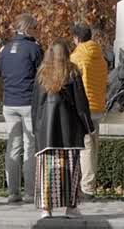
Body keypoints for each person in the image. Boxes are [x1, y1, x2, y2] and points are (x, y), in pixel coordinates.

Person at [31, 40, 93, 220]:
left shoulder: (42, 73)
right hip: (70, 131)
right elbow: (81, 103)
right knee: (71, 170)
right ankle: (71, 208)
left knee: (46, 171)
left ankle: (46, 209)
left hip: (46, 133)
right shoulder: (72, 72)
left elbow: (35, 106)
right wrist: (88, 126)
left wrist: (36, 130)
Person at [0, 13, 42, 204]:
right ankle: (30, 192)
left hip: (9, 103)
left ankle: (12, 192)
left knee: (13, 147)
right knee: (30, 146)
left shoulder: (4, 49)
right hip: (27, 102)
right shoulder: (33, 49)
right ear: (29, 28)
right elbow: (41, 74)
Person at [68, 23, 108, 201]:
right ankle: (88, 185)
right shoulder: (100, 56)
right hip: (98, 106)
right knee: (93, 147)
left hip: (83, 107)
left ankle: (86, 188)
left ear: (76, 39)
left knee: (84, 148)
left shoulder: (77, 57)